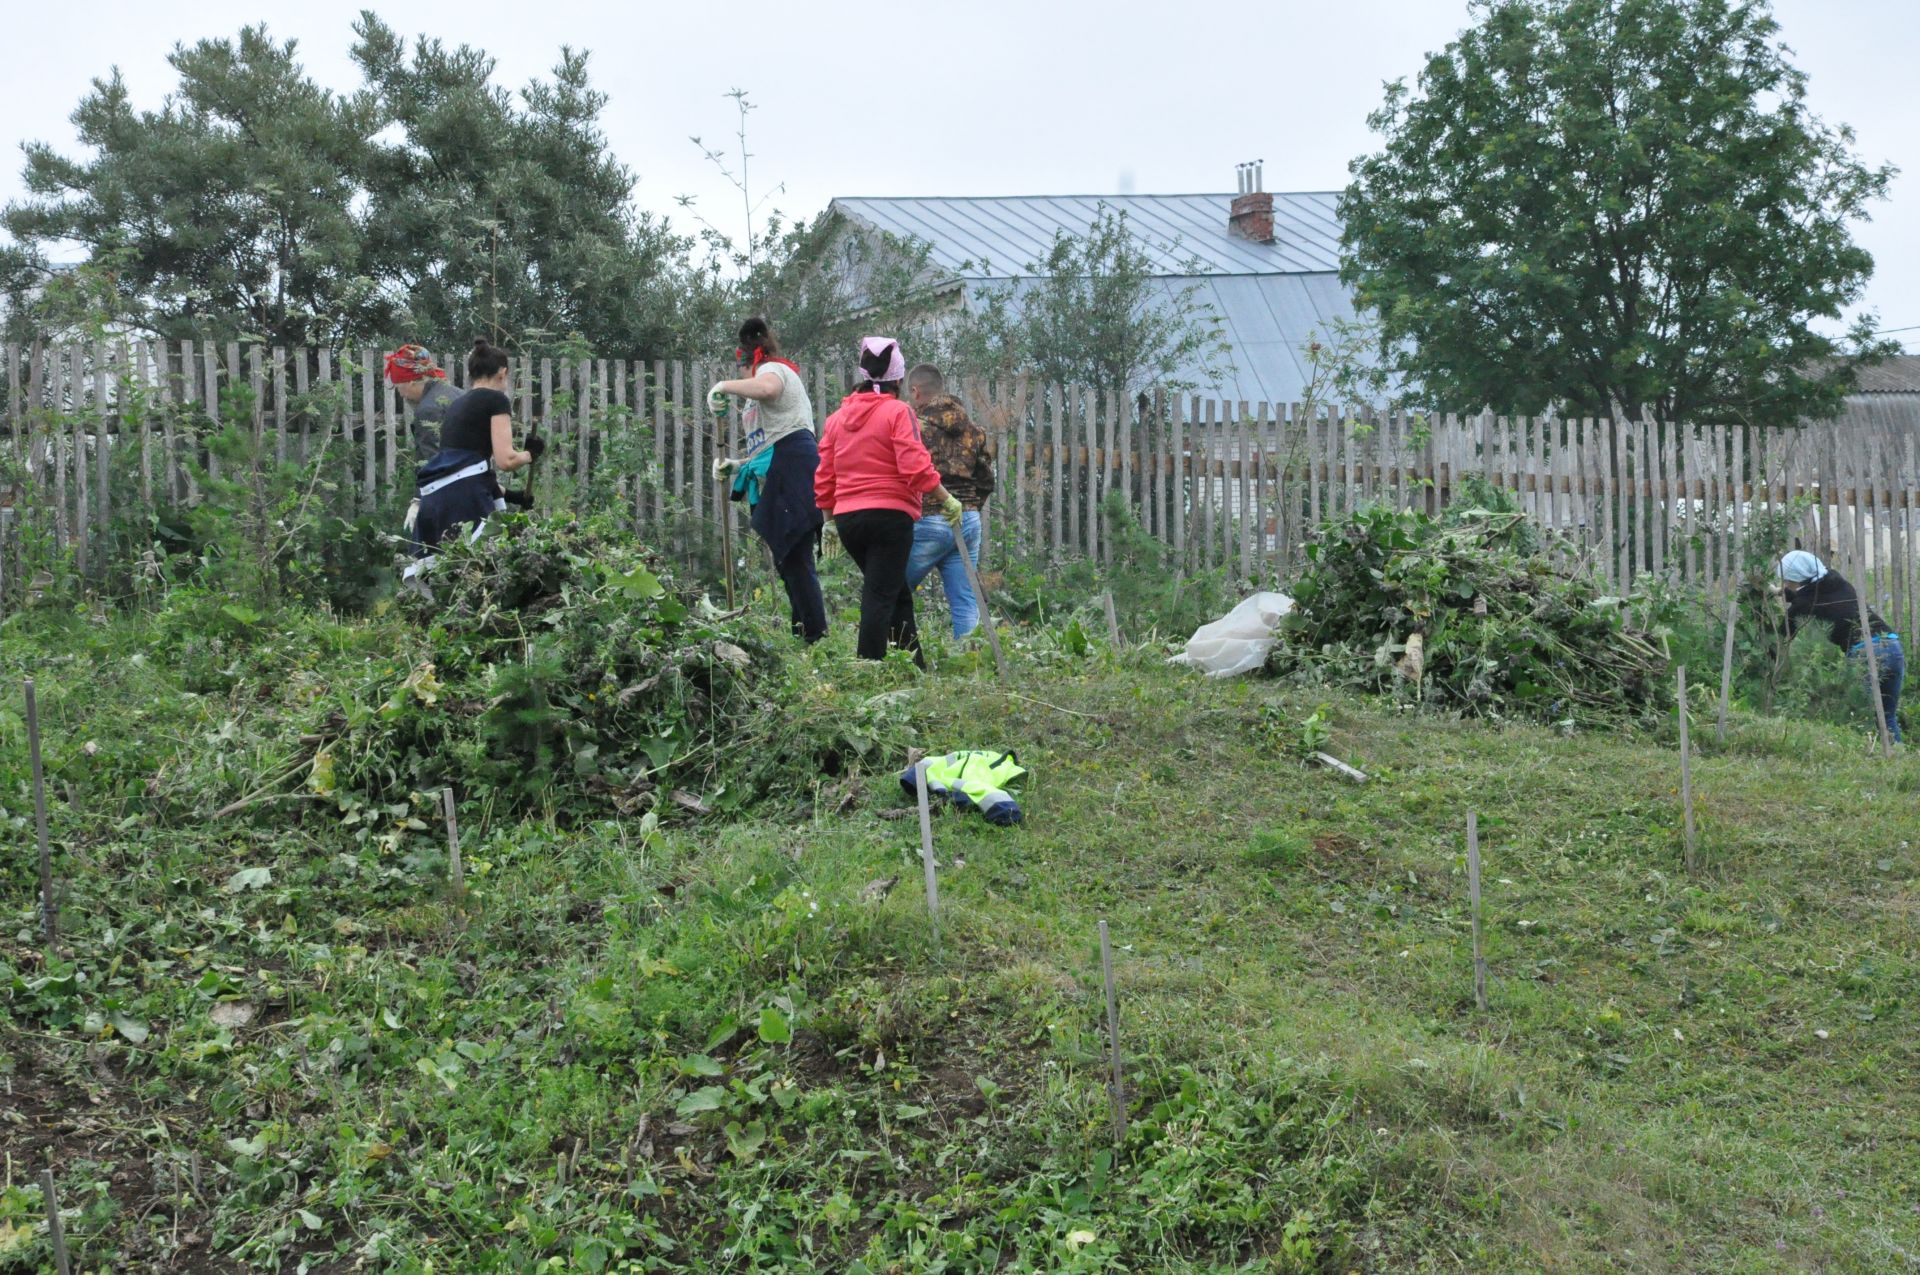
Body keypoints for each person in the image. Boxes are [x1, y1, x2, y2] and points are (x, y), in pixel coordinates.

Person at [813, 337, 963, 664]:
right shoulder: (898, 411)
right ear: (897, 378)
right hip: (889, 519)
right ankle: (868, 667)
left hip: (850, 521)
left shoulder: (836, 420)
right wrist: (946, 499)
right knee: (880, 594)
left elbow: (825, 475)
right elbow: (915, 467)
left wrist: (829, 524)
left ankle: (914, 665)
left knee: (895, 593)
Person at [707, 318, 827, 642]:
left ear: (749, 363)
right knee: (787, 559)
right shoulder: (756, 391)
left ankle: (817, 638)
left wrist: (723, 386)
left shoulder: (773, 370)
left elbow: (768, 388)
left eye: (741, 372)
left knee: (796, 558)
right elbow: (767, 443)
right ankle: (804, 634)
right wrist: (737, 465)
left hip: (793, 465)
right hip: (778, 465)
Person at [412, 339, 543, 549]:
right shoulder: (495, 400)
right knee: (483, 568)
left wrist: (510, 496)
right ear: (503, 372)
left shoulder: (457, 404)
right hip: (463, 504)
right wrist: (529, 454)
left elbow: (465, 470)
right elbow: (506, 460)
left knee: (452, 574)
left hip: (436, 502)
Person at [904, 364, 995, 638]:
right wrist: (970, 507)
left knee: (889, 589)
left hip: (930, 517)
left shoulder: (914, 429)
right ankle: (969, 665)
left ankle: (885, 657)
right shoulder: (974, 431)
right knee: (965, 600)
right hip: (967, 520)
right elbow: (985, 479)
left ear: (916, 392)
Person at [1779, 550, 1904, 744]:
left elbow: (1781, 634)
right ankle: (1896, 758)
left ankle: (1866, 761)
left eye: (1787, 580)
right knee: (1887, 716)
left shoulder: (1802, 605)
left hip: (1863, 652)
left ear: (1797, 578)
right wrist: (1783, 594)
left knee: (1861, 716)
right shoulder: (1838, 582)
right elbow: (1811, 594)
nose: (1786, 584)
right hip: (1891, 643)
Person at [384, 345, 459, 461]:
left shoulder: (427, 410)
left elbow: (431, 462)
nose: (401, 394)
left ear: (410, 382)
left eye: (398, 387)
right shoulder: (459, 393)